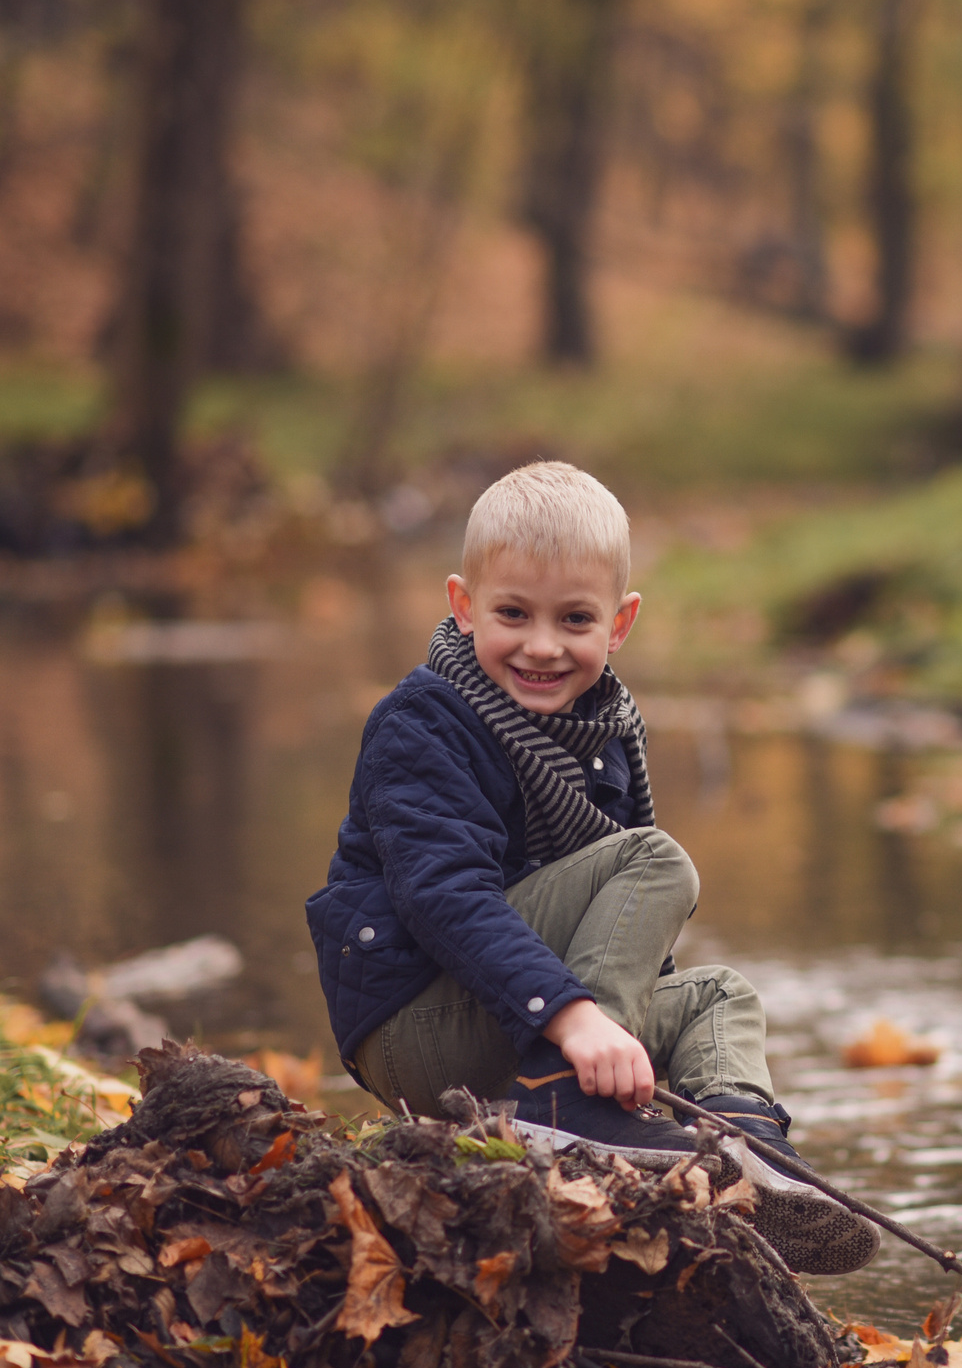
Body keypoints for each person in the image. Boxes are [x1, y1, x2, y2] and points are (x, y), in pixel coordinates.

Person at [306, 461, 875, 1274]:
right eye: (512, 613)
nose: (542, 645)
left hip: (516, 1012)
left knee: (718, 995)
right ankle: (565, 1102)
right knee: (656, 859)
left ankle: (744, 1155)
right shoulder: (422, 722)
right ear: (463, 605)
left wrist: (632, 1033)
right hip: (415, 1024)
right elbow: (443, 897)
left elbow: (625, 932)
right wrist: (578, 1023)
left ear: (620, 624)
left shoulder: (604, 733)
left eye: (575, 618)